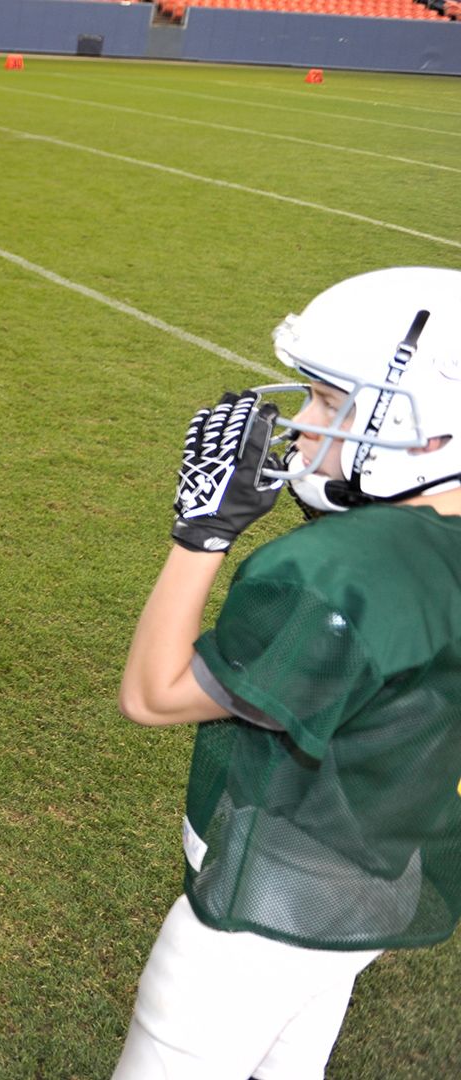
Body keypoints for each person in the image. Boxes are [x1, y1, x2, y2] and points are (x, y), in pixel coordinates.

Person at [113, 267, 461, 1079]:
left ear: (435, 430)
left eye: (329, 403)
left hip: (267, 895)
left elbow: (153, 694)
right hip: (375, 879)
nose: (303, 424)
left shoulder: (339, 571)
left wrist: (200, 532)